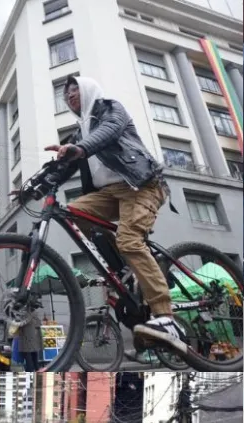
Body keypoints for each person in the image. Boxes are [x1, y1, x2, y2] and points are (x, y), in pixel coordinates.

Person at [49, 76, 188, 352]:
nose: (70, 96)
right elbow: (61, 167)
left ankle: (166, 318)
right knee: (73, 212)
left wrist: (81, 148)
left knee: (129, 240)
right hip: (109, 195)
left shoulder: (110, 109)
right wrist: (31, 187)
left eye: (75, 90)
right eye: (66, 95)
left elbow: (109, 132)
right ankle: (125, 270)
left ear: (88, 89)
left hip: (142, 185)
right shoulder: (81, 132)